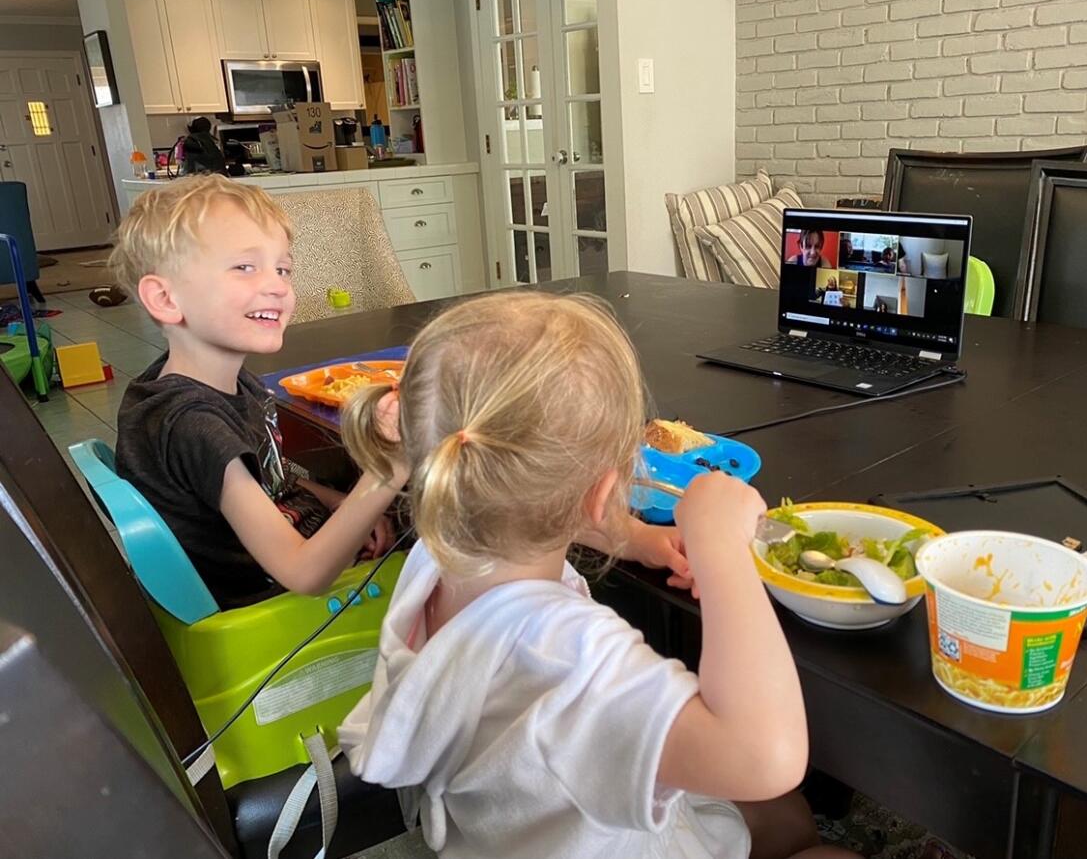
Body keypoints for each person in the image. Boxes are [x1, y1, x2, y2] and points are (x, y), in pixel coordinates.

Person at [339, 291, 859, 859]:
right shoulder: (570, 653)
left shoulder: (436, 558)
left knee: (780, 817)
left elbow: (522, 509)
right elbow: (766, 759)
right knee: (808, 835)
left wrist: (634, 538)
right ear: (606, 494)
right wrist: (723, 550)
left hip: (510, 830)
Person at [108, 176, 690, 611]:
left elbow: (272, 478)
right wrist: (384, 474)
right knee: (484, 486)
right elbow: (304, 572)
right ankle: (625, 549)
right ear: (164, 299)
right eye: (244, 268)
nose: (277, 287)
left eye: (283, 269)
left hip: (293, 568)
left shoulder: (191, 385)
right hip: (276, 620)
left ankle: (631, 539)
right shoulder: (191, 424)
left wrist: (348, 508)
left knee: (467, 472)